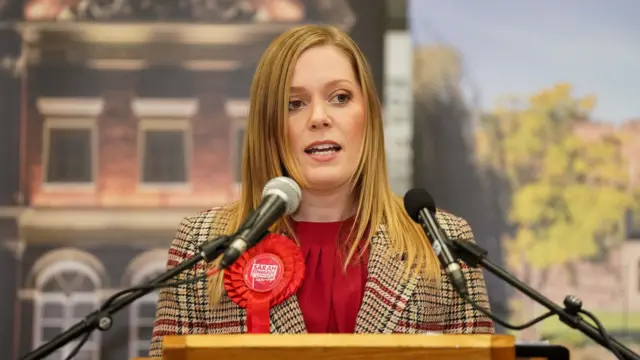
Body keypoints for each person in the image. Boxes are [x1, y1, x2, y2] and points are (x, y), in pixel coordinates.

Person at [148, 24, 494, 358]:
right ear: (268, 127)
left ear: (369, 115)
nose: (319, 118)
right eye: (294, 103)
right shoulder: (202, 243)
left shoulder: (441, 241)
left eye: (340, 97)